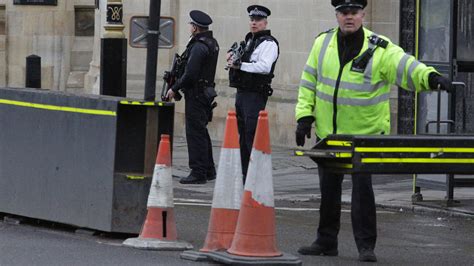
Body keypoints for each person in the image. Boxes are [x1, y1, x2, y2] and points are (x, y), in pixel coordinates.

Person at [294, 0, 452, 262]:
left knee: (362, 194)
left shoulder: (379, 47)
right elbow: (308, 81)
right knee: (328, 192)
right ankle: (326, 241)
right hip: (329, 135)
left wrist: (431, 77)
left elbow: (405, 66)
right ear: (336, 15)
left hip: (364, 137)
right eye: (344, 13)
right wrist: (303, 117)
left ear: (362, 15)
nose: (349, 17)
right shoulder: (322, 43)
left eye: (354, 13)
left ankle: (365, 246)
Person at [227, 5, 279, 183]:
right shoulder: (250, 40)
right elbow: (244, 60)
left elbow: (264, 67)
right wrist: (234, 58)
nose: (254, 23)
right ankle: (244, 172)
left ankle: (255, 174)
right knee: (242, 134)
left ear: (265, 22)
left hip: (255, 94)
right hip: (243, 92)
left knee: (251, 133)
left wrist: (240, 65)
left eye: (257, 20)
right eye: (252, 20)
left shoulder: (269, 43)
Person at [166, 10, 219, 184]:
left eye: (191, 25)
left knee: (195, 133)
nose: (190, 27)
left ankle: (198, 172)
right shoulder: (211, 42)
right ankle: (209, 170)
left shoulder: (198, 47)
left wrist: (174, 88)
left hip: (196, 94)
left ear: (195, 28)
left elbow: (190, 74)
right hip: (204, 93)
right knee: (201, 131)